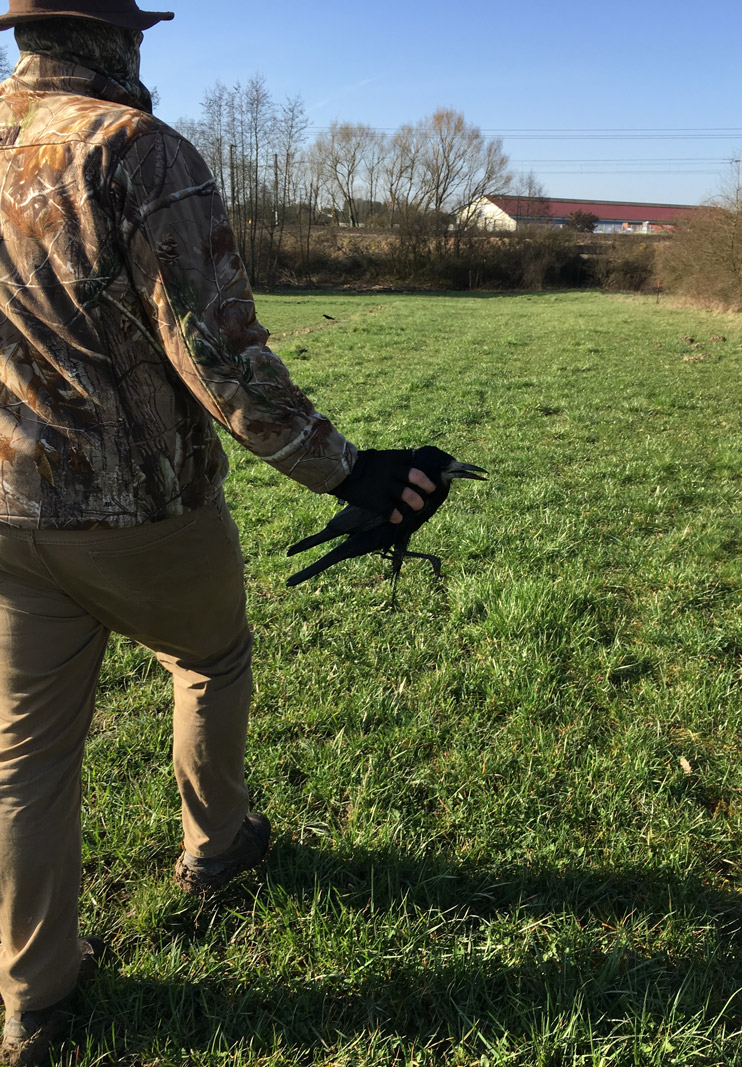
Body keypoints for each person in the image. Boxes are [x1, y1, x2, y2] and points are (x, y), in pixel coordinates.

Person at [0, 2, 438, 1063]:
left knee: (24, 760)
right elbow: (218, 354)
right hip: (143, 513)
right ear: (123, 36)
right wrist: (351, 471)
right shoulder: (135, 149)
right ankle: (217, 845)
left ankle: (30, 1000)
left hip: (6, 511)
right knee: (207, 657)